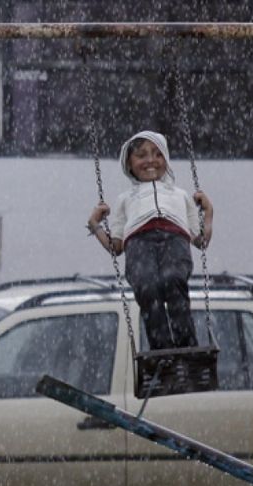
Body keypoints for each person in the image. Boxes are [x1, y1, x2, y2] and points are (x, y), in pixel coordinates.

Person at [86, 130, 214, 351]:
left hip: (175, 239)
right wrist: (95, 225)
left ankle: (186, 347)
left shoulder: (180, 195)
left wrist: (208, 212)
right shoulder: (125, 199)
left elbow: (200, 239)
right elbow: (116, 246)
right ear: (129, 163)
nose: (150, 161)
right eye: (142, 155)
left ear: (166, 158)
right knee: (147, 287)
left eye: (157, 154)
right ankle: (162, 349)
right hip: (138, 242)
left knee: (174, 280)